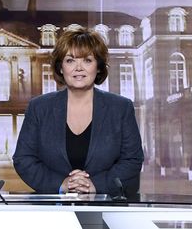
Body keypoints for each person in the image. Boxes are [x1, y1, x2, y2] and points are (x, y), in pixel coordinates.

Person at [13, 27, 144, 197]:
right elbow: (24, 159)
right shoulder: (39, 108)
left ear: (98, 67)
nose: (79, 68)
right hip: (53, 210)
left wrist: (95, 185)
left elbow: (132, 159)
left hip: (106, 206)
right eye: (70, 61)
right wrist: (62, 184)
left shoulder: (120, 108)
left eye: (87, 60)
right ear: (61, 68)